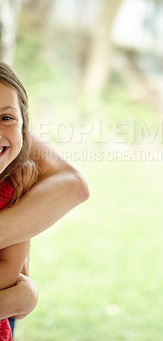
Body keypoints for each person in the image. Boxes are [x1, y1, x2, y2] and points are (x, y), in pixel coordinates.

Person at [0, 62, 89, 339]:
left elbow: (73, 186)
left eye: (6, 118)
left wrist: (17, 297)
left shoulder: (13, 186)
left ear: (25, 120)